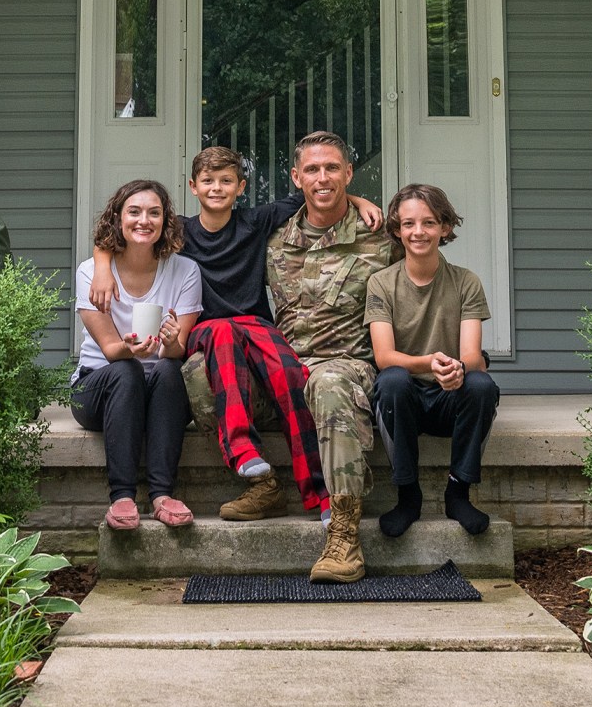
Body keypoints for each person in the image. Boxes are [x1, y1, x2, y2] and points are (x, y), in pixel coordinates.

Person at [88, 147, 382, 526]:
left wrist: (358, 198)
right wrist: (100, 267)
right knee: (223, 331)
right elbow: (120, 233)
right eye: (208, 181)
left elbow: (315, 194)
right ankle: (242, 450)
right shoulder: (178, 231)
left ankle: (320, 493)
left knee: (292, 374)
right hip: (205, 330)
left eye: (226, 181)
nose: (217, 188)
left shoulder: (256, 221)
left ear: (241, 187)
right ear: (193, 187)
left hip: (256, 326)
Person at [267, 131, 399, 582]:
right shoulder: (274, 240)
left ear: (348, 173)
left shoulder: (381, 237)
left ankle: (344, 534)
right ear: (295, 177)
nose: (321, 178)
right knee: (198, 374)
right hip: (284, 368)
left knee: (328, 384)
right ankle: (260, 484)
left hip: (347, 364)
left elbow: (427, 265)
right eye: (311, 170)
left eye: (331, 168)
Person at [365, 183, 500, 537]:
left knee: (481, 385)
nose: (418, 232)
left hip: (448, 397)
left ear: (445, 227)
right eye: (408, 224)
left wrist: (457, 369)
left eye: (428, 222)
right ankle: (408, 495)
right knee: (391, 380)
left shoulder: (466, 282)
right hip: (405, 399)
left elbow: (472, 357)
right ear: (396, 230)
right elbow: (384, 356)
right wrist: (429, 363)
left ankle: (459, 492)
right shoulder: (381, 284)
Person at [72, 179, 202, 530]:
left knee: (169, 368)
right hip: (98, 388)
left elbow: (177, 350)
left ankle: (162, 495)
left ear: (165, 222)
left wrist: (172, 341)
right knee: (127, 370)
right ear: (117, 218)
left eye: (154, 213)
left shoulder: (185, 271)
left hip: (159, 390)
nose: (144, 220)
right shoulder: (92, 272)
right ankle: (122, 497)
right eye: (134, 211)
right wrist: (126, 348)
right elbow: (112, 350)